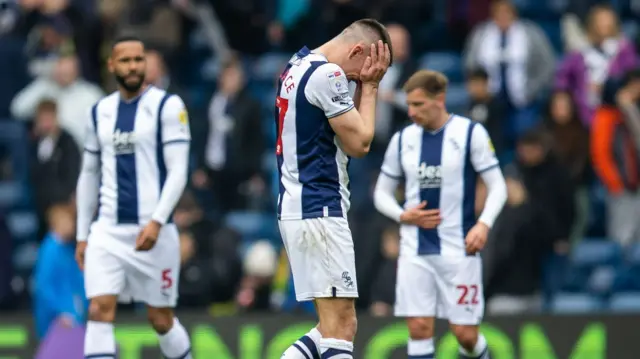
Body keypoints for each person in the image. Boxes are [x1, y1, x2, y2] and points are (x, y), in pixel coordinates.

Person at [275, 19, 392, 359]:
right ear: (357, 51)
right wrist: (370, 88)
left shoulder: (296, 65)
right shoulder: (328, 75)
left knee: (330, 326)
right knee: (342, 329)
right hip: (319, 207)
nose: (355, 82)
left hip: (297, 206)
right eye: (359, 72)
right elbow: (360, 143)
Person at [373, 70, 507, 359]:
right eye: (409, 105)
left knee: (466, 335)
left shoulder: (471, 133)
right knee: (419, 328)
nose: (411, 112)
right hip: (415, 249)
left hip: (459, 248)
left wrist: (483, 225)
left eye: (419, 104)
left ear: (440, 99)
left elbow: (499, 187)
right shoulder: (402, 140)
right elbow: (381, 193)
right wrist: (401, 215)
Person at [75, 35, 192, 359]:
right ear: (112, 65)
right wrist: (83, 235)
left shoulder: (168, 106)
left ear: (146, 64)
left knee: (161, 319)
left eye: (138, 60)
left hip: (154, 232)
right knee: (99, 309)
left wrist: (156, 221)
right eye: (125, 60)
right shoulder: (99, 112)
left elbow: (178, 171)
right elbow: (88, 175)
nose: (133, 66)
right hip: (108, 231)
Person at [34, 204, 87, 339]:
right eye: (68, 221)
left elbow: (78, 281)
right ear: (56, 223)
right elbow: (43, 286)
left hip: (75, 316)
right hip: (57, 319)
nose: (72, 225)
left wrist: (83, 305)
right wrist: (59, 312)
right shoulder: (49, 250)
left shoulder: (69, 249)